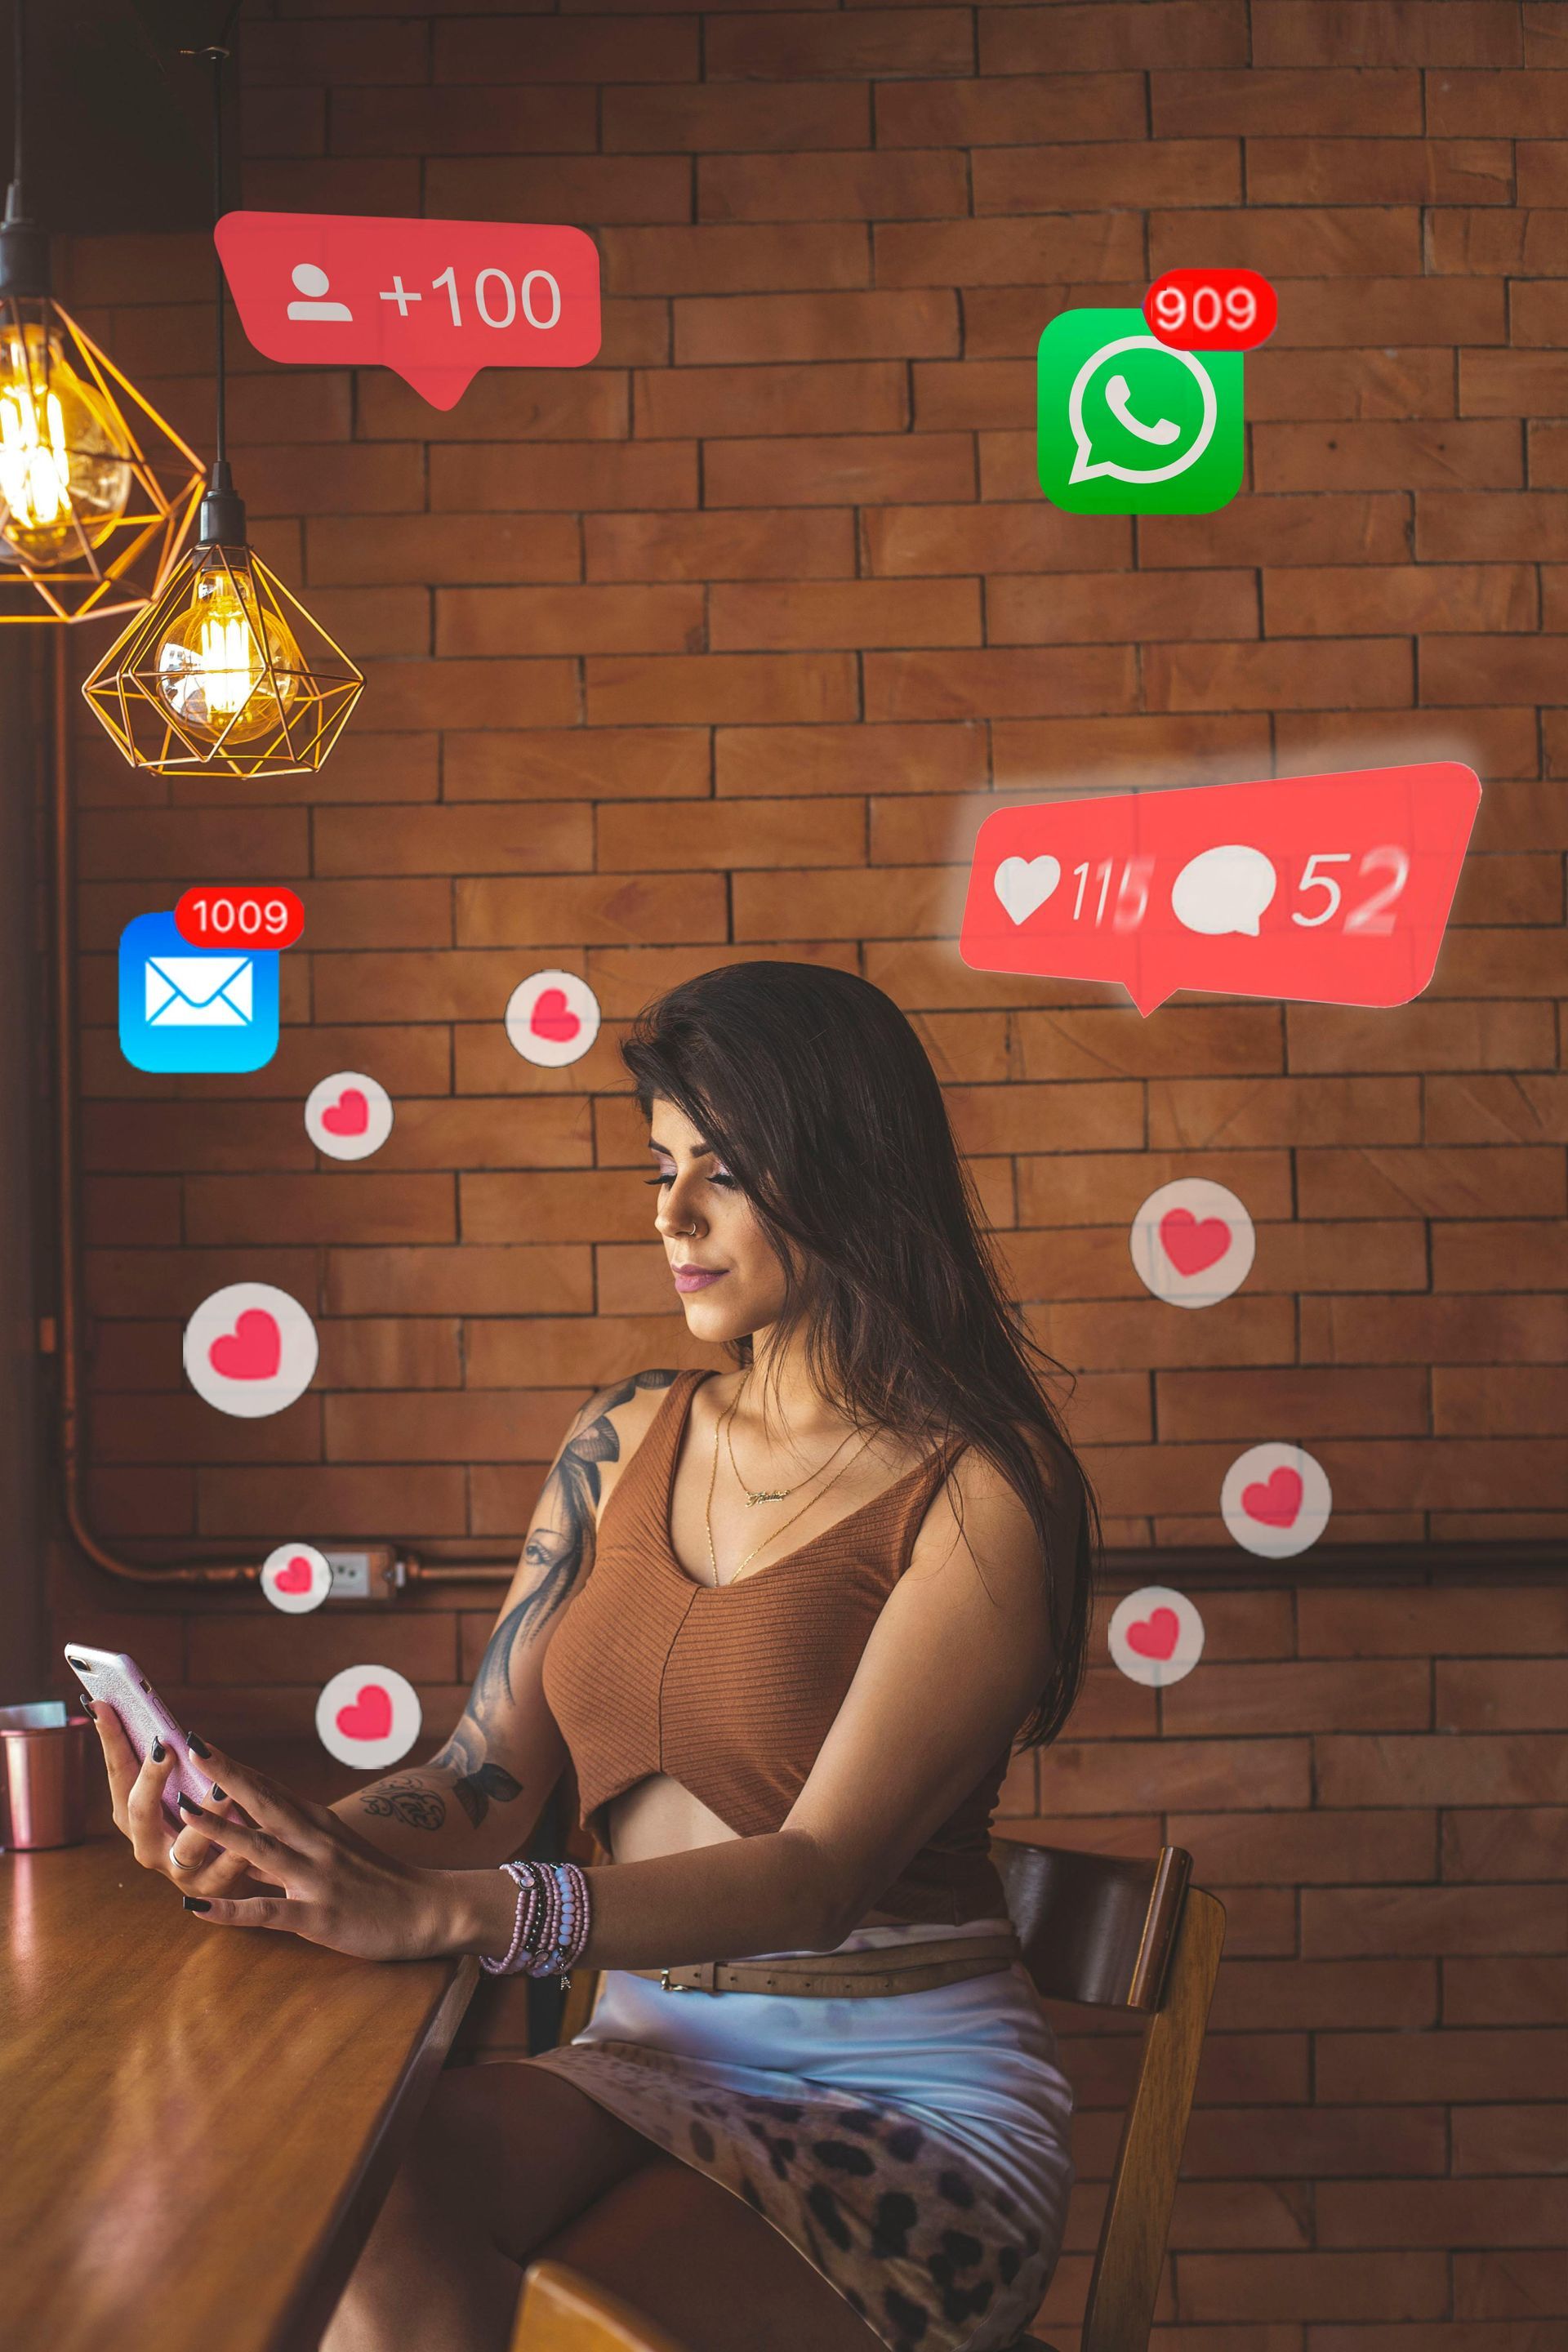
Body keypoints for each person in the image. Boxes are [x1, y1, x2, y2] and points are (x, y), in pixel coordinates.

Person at [86, 960, 1102, 2352]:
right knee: (349, 2207)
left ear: (850, 1173)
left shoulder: (983, 1488)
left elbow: (817, 1878)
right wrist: (286, 1844)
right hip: (644, 2061)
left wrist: (456, 1915)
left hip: (902, 2106)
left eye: (722, 1172)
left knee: (583, 2323)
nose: (670, 1215)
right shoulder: (622, 1434)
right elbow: (483, 1775)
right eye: (660, 1168)